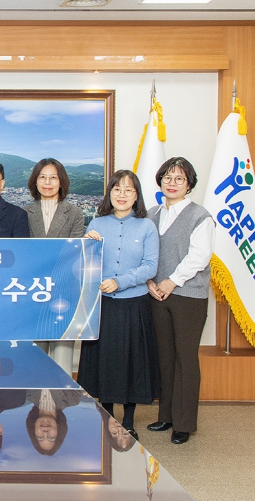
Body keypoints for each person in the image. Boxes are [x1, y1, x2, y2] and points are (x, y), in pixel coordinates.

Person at [77, 170, 160, 442]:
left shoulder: (146, 226)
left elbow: (150, 266)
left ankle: (128, 421)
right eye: (117, 189)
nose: (122, 195)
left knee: (131, 362)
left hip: (134, 304)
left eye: (128, 190)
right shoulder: (96, 224)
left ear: (136, 196)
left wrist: (119, 282)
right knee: (105, 362)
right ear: (109, 194)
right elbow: (85, 264)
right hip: (103, 304)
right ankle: (107, 416)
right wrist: (86, 246)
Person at [145, 157, 214, 445]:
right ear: (160, 181)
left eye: (179, 179)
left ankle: (184, 423)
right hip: (157, 294)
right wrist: (149, 281)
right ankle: (166, 416)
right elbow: (145, 253)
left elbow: (200, 257)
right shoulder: (151, 214)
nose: (172, 183)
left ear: (189, 185)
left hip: (188, 296)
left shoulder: (200, 216)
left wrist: (171, 281)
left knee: (185, 359)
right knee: (165, 357)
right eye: (167, 178)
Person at [24, 158, 86, 374]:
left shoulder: (75, 213)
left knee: (62, 364)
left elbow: (74, 255)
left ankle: (60, 397)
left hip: (64, 293)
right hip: (33, 294)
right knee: (34, 362)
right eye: (42, 177)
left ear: (62, 182)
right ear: (35, 181)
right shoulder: (24, 212)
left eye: (53, 177)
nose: (47, 182)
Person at [24, 389, 81, 455]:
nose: (45, 433)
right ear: (59, 428)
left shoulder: (26, 394)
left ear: (34, 427)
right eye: (51, 437)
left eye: (40, 437)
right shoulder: (72, 399)